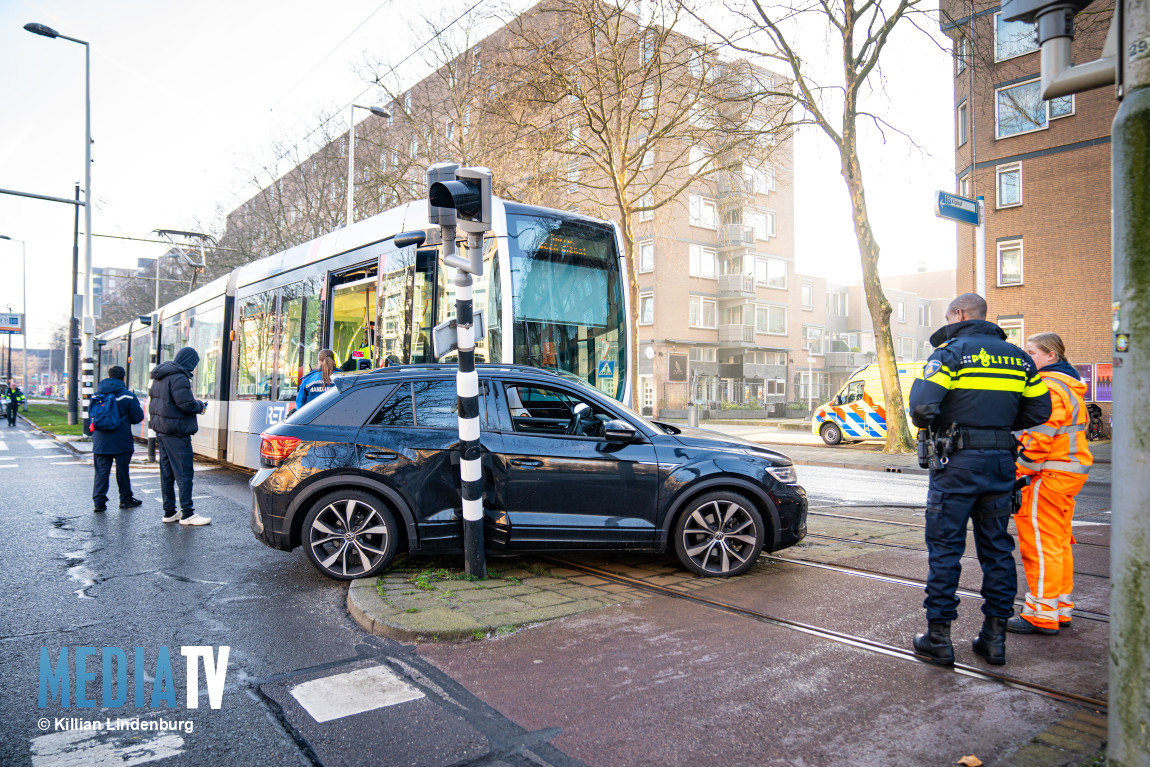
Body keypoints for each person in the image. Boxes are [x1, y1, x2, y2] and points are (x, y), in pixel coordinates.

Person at [908, 293, 1052, 666]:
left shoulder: (949, 354)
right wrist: (996, 428)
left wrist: (955, 427)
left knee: (945, 550)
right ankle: (994, 639)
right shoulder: (1019, 358)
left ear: (958, 314)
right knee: (997, 551)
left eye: (948, 317)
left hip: (956, 464)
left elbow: (921, 408)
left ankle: (939, 638)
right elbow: (1040, 410)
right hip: (1001, 463)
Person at [1010, 332, 1093, 635]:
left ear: (1050, 356)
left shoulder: (1047, 387)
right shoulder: (1068, 385)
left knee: (1040, 546)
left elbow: (1040, 437)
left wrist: (1018, 470)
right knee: (1057, 542)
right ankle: (1059, 606)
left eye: (1031, 352)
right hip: (1066, 473)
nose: (1027, 357)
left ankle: (1041, 614)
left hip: (1046, 475)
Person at [149, 347, 210, 526]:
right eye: (194, 363)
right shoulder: (179, 377)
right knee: (184, 473)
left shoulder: (160, 377)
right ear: (189, 361)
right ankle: (187, 514)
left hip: (162, 431)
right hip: (177, 432)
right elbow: (186, 404)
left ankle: (169, 512)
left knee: (167, 473)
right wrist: (200, 406)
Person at [90, 366, 145, 513]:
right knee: (122, 471)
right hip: (122, 440)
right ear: (123, 378)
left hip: (101, 441)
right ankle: (125, 499)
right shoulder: (128, 396)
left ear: (109, 376)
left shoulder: (96, 395)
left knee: (101, 471)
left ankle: (99, 502)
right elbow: (137, 417)